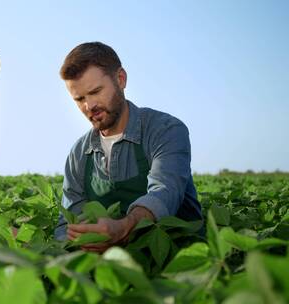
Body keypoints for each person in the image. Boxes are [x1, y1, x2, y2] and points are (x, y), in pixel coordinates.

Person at [54, 42, 203, 252]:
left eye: (96, 91)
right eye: (79, 99)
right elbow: (69, 223)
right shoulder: (79, 153)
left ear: (120, 79)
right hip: (115, 270)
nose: (90, 106)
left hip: (180, 261)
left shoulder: (165, 130)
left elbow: (165, 190)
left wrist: (125, 227)